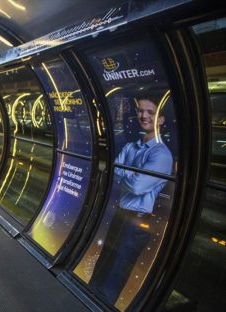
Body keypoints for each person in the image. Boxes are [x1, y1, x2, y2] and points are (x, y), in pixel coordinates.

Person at [89, 95, 173, 304]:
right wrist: (129, 174)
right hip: (122, 214)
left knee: (115, 273)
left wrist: (125, 173)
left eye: (150, 112)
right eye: (140, 111)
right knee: (103, 265)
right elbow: (113, 172)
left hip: (138, 222)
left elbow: (137, 186)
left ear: (161, 120)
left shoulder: (162, 154)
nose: (143, 116)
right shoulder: (131, 146)